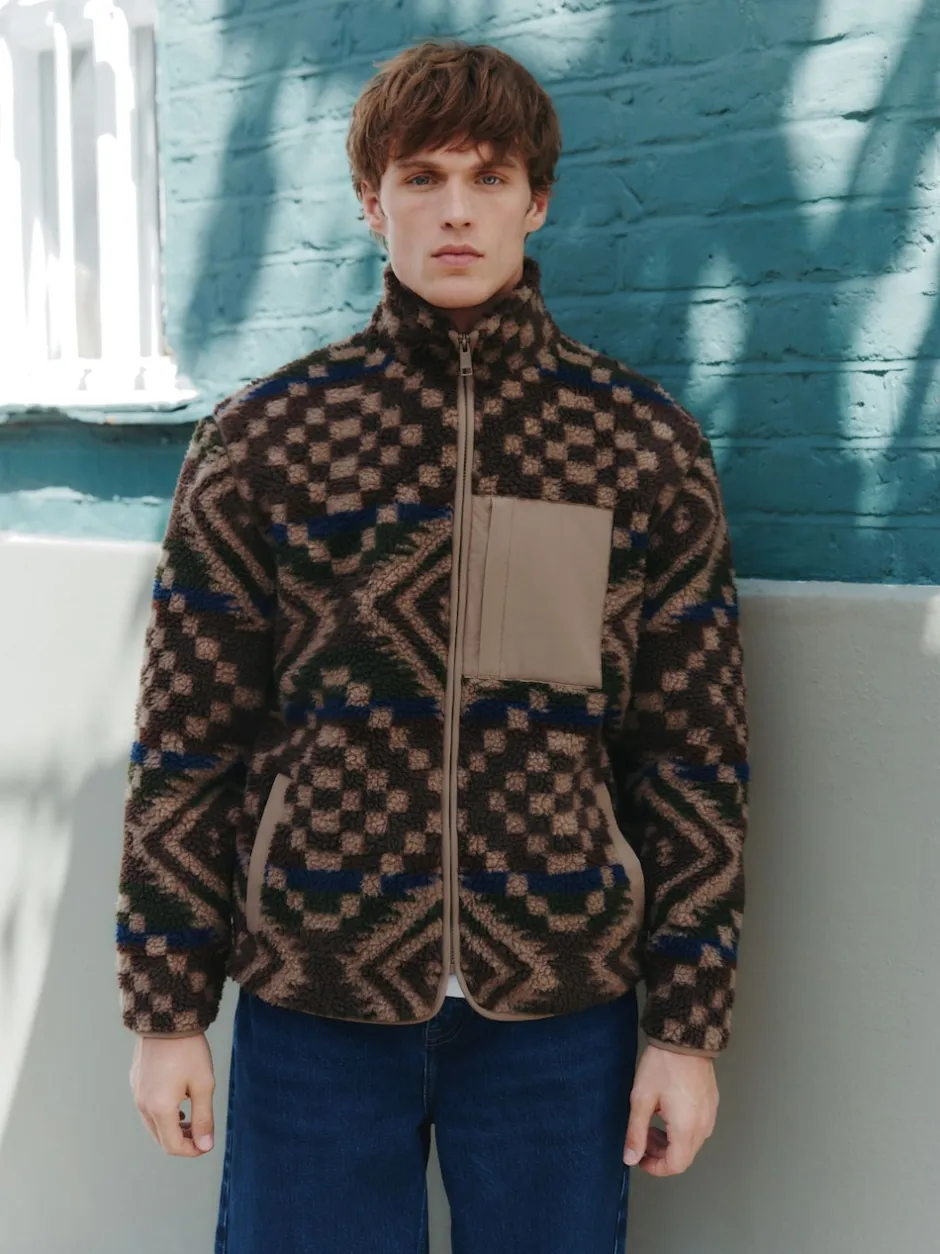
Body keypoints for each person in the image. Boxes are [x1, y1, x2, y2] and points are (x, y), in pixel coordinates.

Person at [117, 39, 749, 1254]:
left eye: (488, 176)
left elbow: (693, 761)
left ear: (536, 199)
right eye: (421, 177)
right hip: (315, 998)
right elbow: (186, 744)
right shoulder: (263, 440)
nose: (456, 209)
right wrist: (165, 1010)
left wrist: (686, 1031)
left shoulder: (641, 447)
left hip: (560, 1009)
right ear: (373, 202)